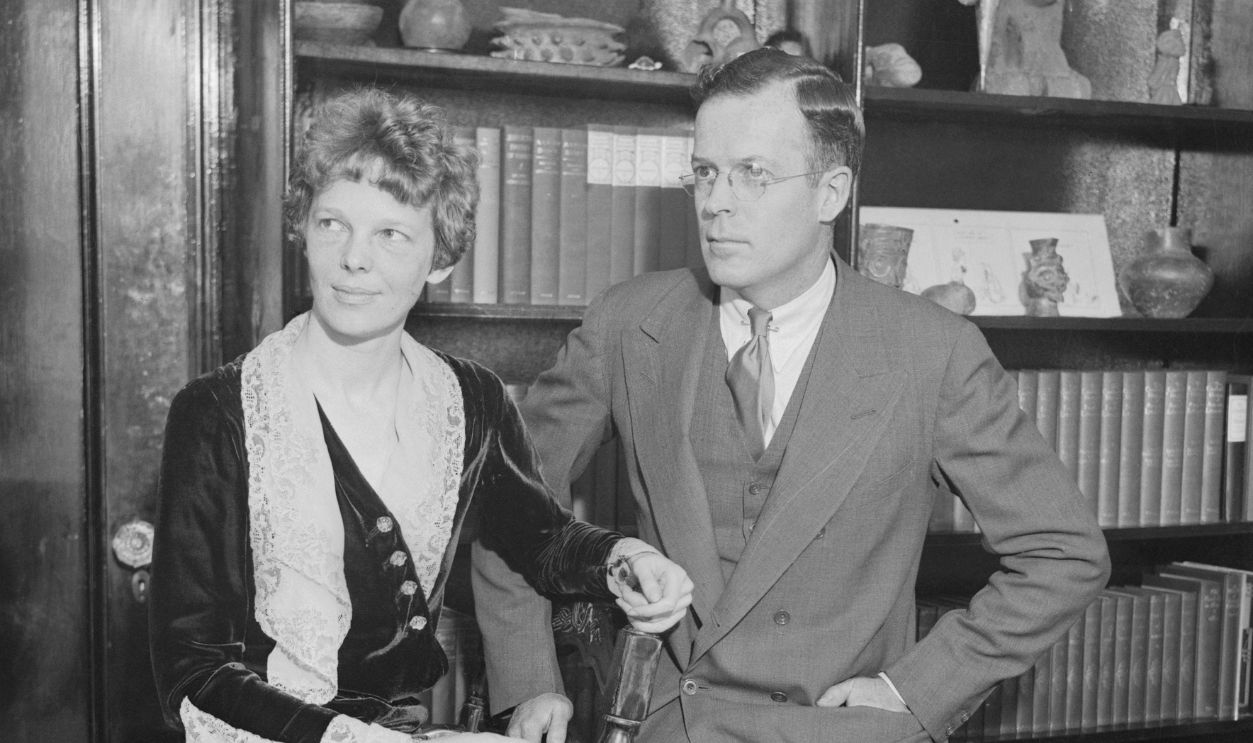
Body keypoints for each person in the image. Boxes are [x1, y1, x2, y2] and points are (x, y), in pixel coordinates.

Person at [476, 48, 1110, 743]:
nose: (716, 201)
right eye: (705, 172)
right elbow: (506, 504)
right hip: (670, 725)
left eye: (753, 174)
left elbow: (1063, 552)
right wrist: (530, 676)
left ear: (830, 192)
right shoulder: (627, 324)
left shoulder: (931, 350)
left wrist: (915, 690)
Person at [148, 87, 693, 743]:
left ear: (443, 257)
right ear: (302, 226)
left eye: (391, 234)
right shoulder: (217, 411)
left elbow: (540, 537)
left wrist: (624, 559)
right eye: (332, 224)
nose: (354, 258)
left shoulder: (472, 399)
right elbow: (195, 668)